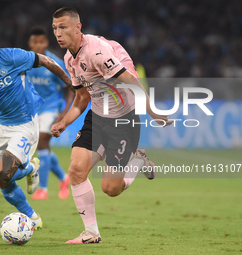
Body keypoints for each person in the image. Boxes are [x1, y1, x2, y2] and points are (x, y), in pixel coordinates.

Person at [51, 7, 173, 243]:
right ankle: (91, 233)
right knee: (76, 170)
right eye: (55, 28)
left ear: (78, 27)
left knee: (111, 189)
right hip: (97, 117)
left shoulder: (96, 52)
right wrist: (64, 122)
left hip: (123, 120)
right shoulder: (69, 58)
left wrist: (152, 112)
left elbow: (129, 79)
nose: (58, 33)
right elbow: (82, 97)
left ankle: (138, 160)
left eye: (63, 27)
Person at [0, 27, 71, 229]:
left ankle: (32, 167)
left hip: (24, 124)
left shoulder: (13, 57)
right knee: (0, 181)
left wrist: (70, 82)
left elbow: (46, 61)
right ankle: (32, 216)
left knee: (5, 173)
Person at [26, 26, 74, 200]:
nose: (38, 45)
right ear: (30, 44)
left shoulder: (55, 63)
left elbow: (71, 87)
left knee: (42, 140)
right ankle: (63, 177)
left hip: (51, 107)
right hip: (33, 109)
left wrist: (64, 112)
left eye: (41, 42)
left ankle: (43, 189)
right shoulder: (25, 61)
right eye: (35, 42)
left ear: (46, 43)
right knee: (42, 146)